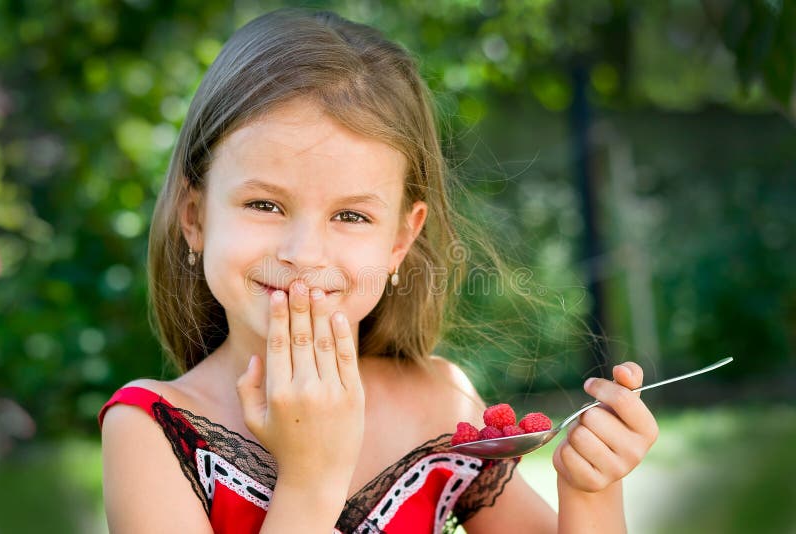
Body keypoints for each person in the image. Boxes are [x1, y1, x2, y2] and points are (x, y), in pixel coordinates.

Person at [99, 8, 659, 533]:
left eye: (350, 215)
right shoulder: (150, 430)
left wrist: (591, 491)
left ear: (399, 240)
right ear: (194, 218)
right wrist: (312, 478)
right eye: (264, 205)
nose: (304, 254)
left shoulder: (440, 401)